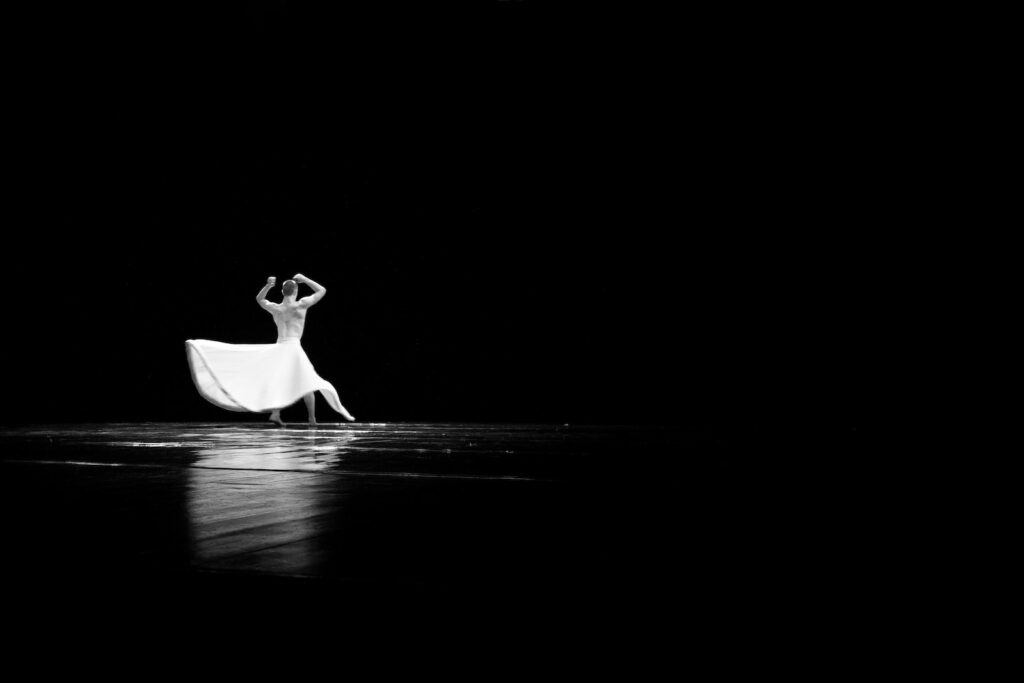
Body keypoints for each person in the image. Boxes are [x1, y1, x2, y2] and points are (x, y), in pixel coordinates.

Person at [185, 273, 355, 425]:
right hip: (293, 348)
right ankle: (311, 419)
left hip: (280, 347)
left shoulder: (276, 308)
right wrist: (304, 279)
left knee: (279, 382)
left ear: (283, 292)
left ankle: (276, 413)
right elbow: (322, 290)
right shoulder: (301, 305)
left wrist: (268, 285)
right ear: (295, 291)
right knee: (308, 382)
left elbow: (259, 299)